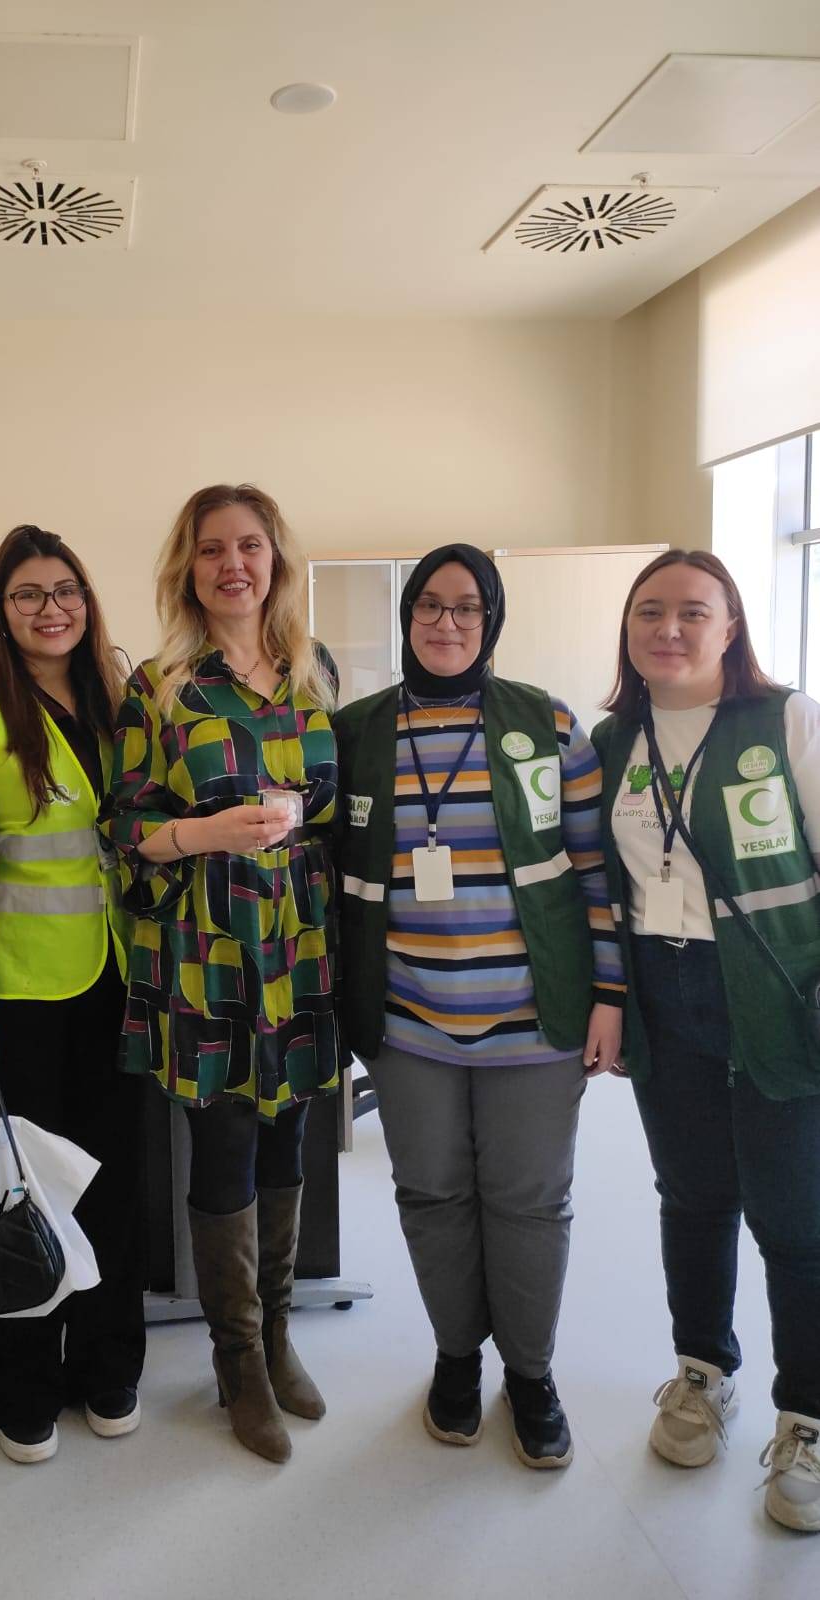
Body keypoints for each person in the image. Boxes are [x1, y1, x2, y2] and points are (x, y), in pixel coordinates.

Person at [331, 543, 624, 1470]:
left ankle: (530, 1375)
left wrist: (609, 994)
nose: (446, 623)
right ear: (406, 614)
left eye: (466, 607)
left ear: (491, 621)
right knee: (430, 1194)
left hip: (533, 1019)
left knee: (529, 1204)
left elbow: (592, 869)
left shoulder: (546, 722)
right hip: (407, 1022)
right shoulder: (355, 731)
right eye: (429, 604)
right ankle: (456, 1357)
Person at [101, 483, 340, 1464]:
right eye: (211, 549)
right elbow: (121, 826)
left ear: (276, 559)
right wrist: (203, 833)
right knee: (228, 1145)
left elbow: (336, 805)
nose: (232, 564)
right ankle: (236, 1360)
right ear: (187, 567)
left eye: (249, 546)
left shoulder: (316, 671)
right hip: (206, 949)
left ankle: (277, 1334)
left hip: (299, 944)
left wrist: (298, 821)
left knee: (290, 1138)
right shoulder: (161, 684)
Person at [593, 548, 820, 1533]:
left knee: (794, 1219)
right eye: (650, 610)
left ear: (731, 627)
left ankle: (806, 1418)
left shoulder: (784, 721)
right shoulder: (611, 740)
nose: (670, 628)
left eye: (693, 611)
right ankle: (701, 1373)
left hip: (776, 995)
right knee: (691, 1197)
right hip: (664, 992)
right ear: (628, 629)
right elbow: (599, 888)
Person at [0, 524, 144, 1465]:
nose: (49, 609)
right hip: (14, 996)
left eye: (65, 591)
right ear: (0, 610)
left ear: (86, 601)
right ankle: (20, 1387)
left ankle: (109, 1365)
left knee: (110, 1187)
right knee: (17, 1196)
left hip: (117, 980)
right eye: (27, 594)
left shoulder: (118, 701)